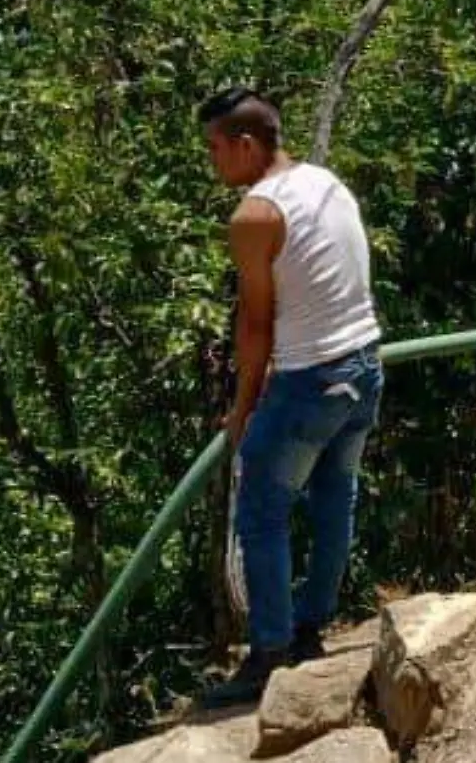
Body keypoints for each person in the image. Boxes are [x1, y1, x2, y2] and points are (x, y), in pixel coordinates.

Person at [196, 87, 385, 708]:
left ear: (247, 145)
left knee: (260, 509)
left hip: (311, 375)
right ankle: (309, 628)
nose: (213, 162)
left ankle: (271, 650)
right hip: (364, 363)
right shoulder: (326, 183)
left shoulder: (256, 214)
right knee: (336, 496)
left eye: (216, 148)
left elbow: (256, 323)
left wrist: (242, 407)